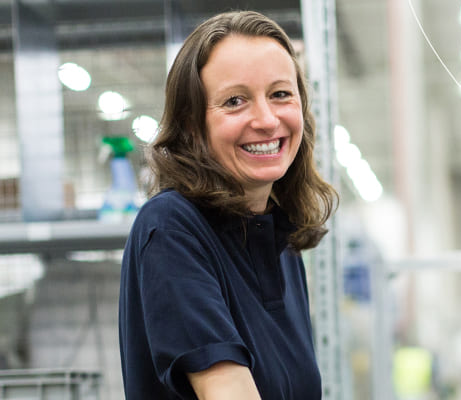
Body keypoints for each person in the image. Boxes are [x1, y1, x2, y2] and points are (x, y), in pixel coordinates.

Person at [118, 10, 337, 399]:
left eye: (281, 94)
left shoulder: (280, 243)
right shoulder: (171, 228)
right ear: (191, 125)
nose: (267, 120)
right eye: (235, 101)